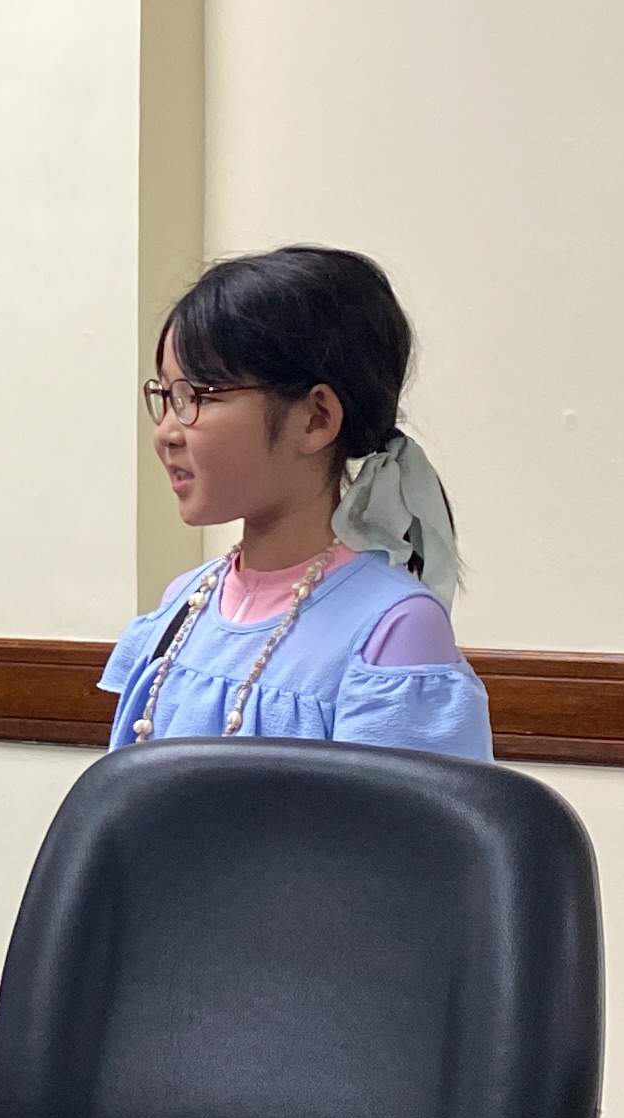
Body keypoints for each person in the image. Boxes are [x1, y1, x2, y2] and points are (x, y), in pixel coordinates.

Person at [106, 246, 491, 757]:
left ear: (315, 419)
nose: (167, 432)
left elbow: (407, 834)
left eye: (200, 395)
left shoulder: (393, 630)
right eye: (168, 396)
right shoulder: (183, 605)